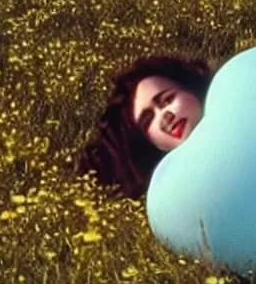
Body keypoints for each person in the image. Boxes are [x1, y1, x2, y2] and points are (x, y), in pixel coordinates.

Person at [74, 55, 214, 201]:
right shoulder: (173, 198)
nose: (164, 117)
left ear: (191, 88)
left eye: (168, 99)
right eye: (148, 120)